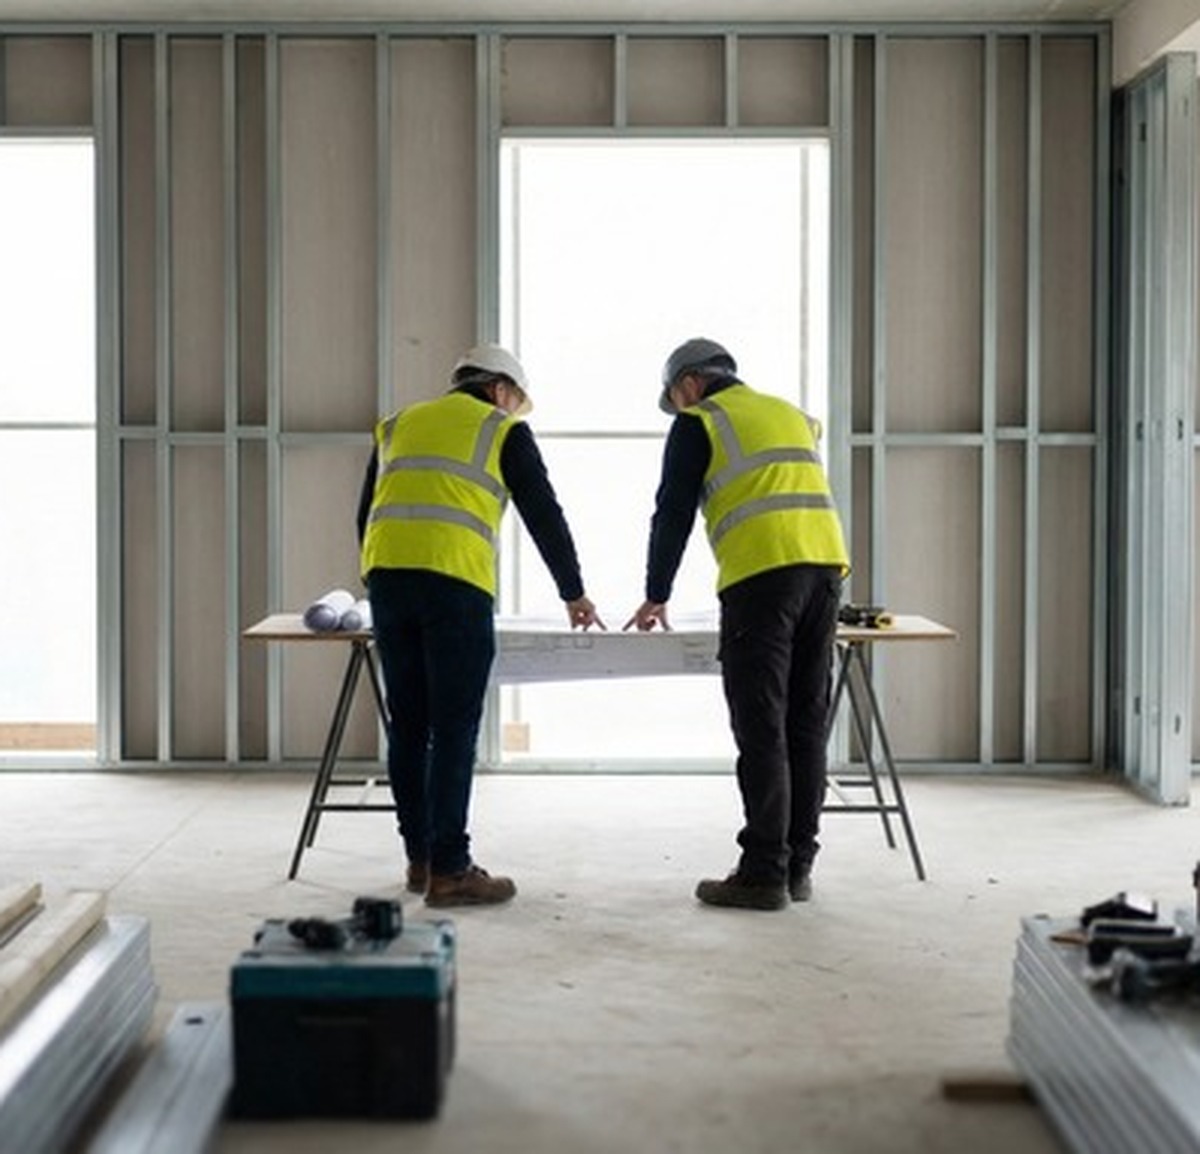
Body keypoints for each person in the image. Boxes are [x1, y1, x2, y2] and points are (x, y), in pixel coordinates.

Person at [358, 343, 604, 908]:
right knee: (453, 729)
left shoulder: (397, 425)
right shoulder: (501, 430)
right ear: (500, 390)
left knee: (409, 725)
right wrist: (574, 592)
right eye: (516, 401)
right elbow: (544, 512)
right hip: (455, 583)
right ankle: (451, 869)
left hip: (389, 582)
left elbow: (364, 512)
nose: (515, 411)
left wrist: (379, 579)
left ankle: (419, 859)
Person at [624, 338, 849, 911]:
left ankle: (762, 872)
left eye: (675, 398)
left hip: (762, 579)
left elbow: (671, 510)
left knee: (762, 725)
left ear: (690, 384)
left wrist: (656, 594)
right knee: (805, 722)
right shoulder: (791, 415)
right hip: (824, 572)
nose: (677, 408)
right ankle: (798, 865)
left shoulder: (700, 422)